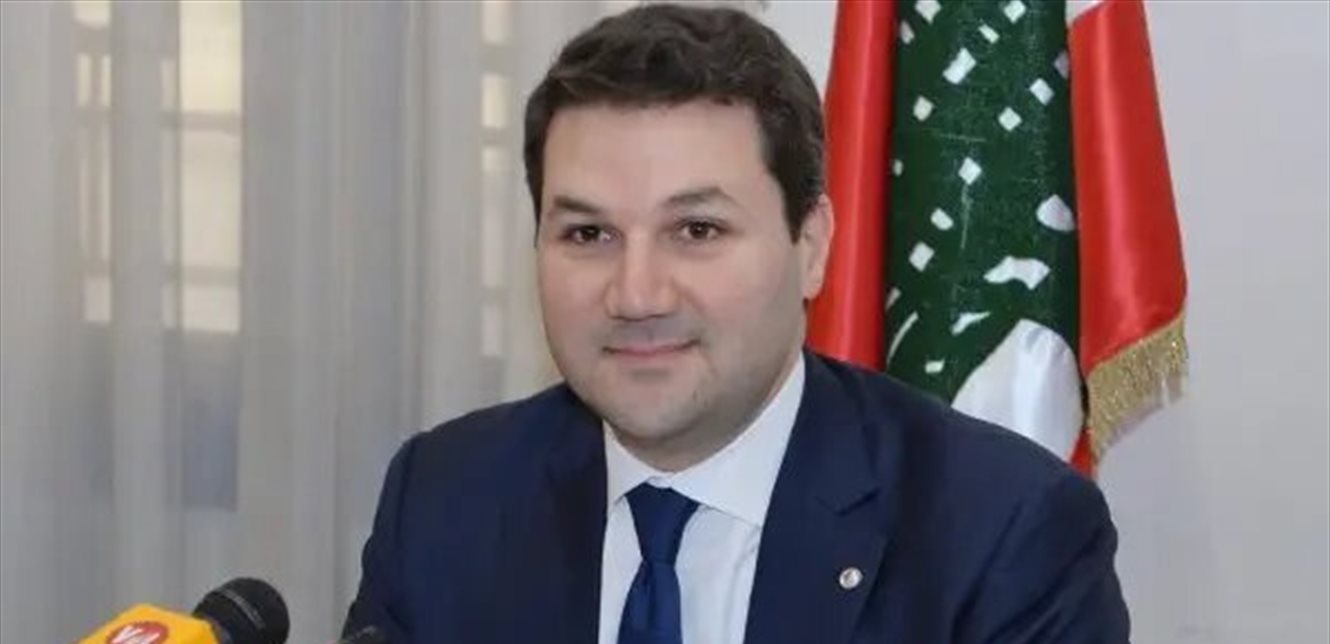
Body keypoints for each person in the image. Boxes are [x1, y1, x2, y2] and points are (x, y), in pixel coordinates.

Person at [343, 4, 1129, 643]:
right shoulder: (446, 499)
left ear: (811, 247)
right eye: (588, 234)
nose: (637, 294)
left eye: (697, 230)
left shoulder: (1001, 534)